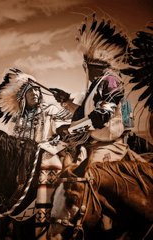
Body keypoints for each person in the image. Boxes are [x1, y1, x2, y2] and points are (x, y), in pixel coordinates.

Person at [0, 68, 72, 239]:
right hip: (23, 163)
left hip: (47, 155)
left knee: (50, 164)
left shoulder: (51, 110)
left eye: (36, 89)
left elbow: (64, 133)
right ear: (23, 96)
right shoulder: (16, 120)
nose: (35, 92)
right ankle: (5, 222)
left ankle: (52, 218)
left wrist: (50, 144)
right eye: (30, 90)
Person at [49, 13, 142, 165]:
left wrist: (72, 129)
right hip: (91, 145)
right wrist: (66, 100)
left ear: (88, 66)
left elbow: (100, 117)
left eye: (85, 67)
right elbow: (89, 115)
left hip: (108, 148)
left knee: (85, 181)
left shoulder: (111, 81)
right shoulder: (99, 84)